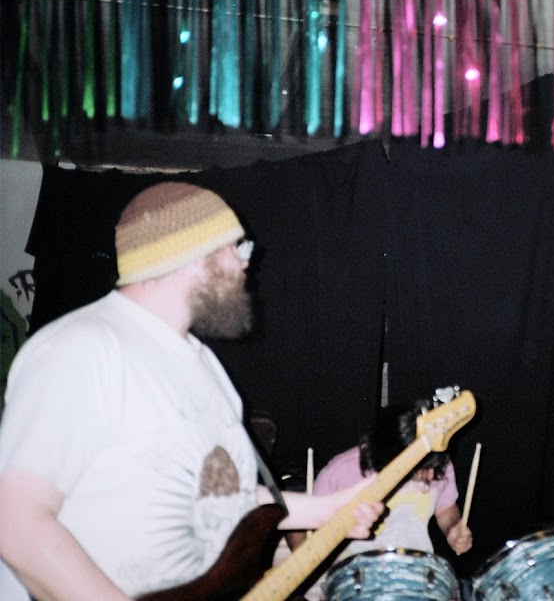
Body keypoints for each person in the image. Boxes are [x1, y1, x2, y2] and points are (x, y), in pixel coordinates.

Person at [0, 182, 382, 601]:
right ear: (189, 253)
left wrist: (331, 508)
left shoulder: (203, 365)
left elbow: (223, 498)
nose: (246, 262)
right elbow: (16, 521)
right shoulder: (83, 347)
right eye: (237, 247)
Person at [313, 399, 474, 560]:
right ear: (394, 456)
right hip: (354, 571)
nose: (432, 476)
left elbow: (445, 509)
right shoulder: (338, 473)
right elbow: (308, 534)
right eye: (423, 469)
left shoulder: (436, 461)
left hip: (414, 568)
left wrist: (452, 528)